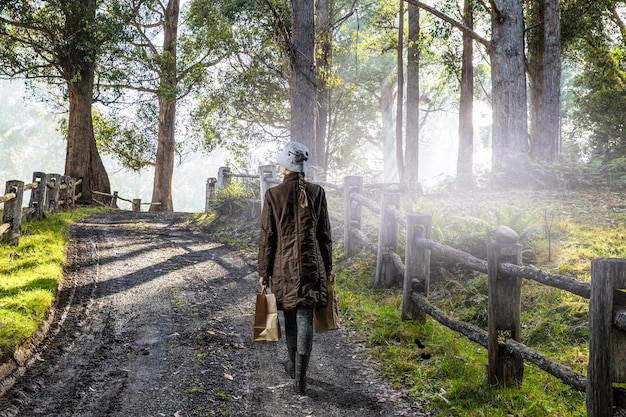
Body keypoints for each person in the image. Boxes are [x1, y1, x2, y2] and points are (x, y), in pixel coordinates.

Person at [258, 141, 333, 395]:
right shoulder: (317, 192)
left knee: (290, 317)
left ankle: (293, 370)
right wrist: (329, 267)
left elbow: (268, 237)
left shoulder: (273, 195)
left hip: (283, 268)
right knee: (306, 319)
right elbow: (324, 236)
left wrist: (263, 271)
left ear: (284, 167)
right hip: (312, 267)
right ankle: (300, 379)